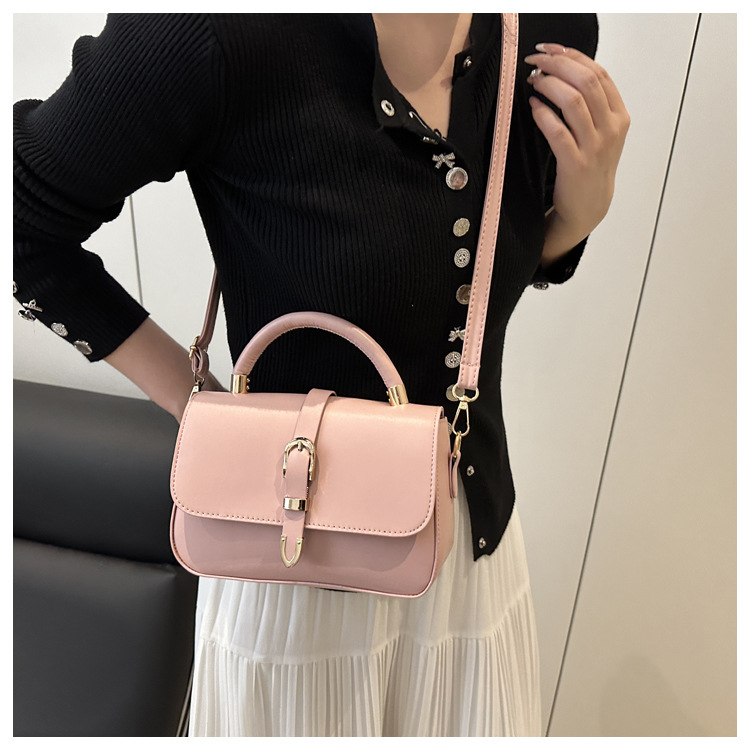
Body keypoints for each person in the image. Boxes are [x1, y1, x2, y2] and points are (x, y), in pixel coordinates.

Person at [13, 13, 629, 737]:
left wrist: (575, 219)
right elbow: (21, 221)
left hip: (471, 562)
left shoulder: (548, 34)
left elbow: (475, 280)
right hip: (292, 567)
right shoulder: (214, 30)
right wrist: (199, 404)